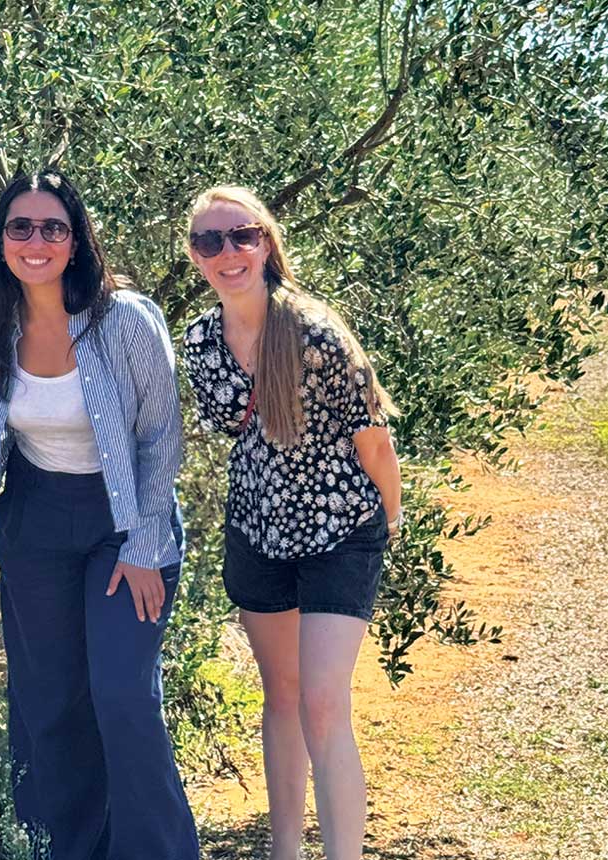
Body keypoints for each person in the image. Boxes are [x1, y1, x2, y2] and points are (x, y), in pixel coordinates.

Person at [0, 169, 199, 860]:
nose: (36, 241)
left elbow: (163, 436)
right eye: (20, 227)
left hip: (124, 523)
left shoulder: (124, 318)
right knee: (49, 703)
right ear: (1, 239)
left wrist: (145, 542)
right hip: (35, 522)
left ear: (76, 240)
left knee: (123, 694)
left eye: (53, 228)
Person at [181, 185, 402, 860]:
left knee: (323, 703)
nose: (228, 253)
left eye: (241, 236)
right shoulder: (200, 344)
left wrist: (387, 524)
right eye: (210, 241)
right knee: (280, 695)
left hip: (339, 533)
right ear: (194, 256)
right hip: (258, 536)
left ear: (267, 241)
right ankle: (285, 851)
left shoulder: (315, 332)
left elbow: (374, 441)